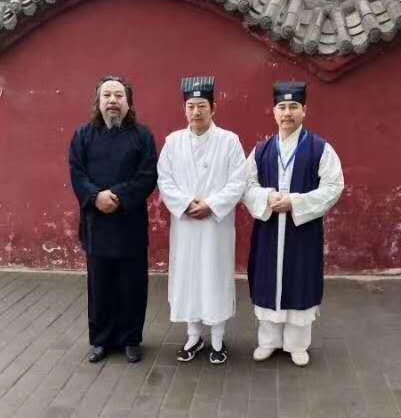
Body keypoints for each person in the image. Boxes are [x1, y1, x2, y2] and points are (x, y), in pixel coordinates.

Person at [243, 82, 344, 366]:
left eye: (293, 107)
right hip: (269, 231)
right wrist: (267, 197)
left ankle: (297, 344)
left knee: (301, 281)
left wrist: (295, 203)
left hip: (303, 232)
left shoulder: (319, 149)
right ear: (274, 111)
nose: (287, 113)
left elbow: (334, 186)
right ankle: (268, 341)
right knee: (267, 280)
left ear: (304, 110)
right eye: (282, 107)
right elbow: (246, 184)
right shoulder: (261, 150)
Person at [157, 76, 246, 364]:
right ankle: (193, 336)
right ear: (184, 109)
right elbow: (164, 179)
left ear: (213, 108)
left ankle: (218, 339)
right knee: (188, 277)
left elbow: (238, 180)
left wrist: (211, 204)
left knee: (214, 276)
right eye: (191, 106)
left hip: (216, 225)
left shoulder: (229, 141)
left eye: (202, 106)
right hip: (185, 224)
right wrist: (185, 204)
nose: (196, 112)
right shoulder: (173, 142)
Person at [69, 75, 157, 363]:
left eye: (119, 96)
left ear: (129, 102)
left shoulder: (142, 136)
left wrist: (117, 196)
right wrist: (96, 197)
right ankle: (101, 340)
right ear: (98, 102)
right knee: (100, 285)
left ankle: (131, 339)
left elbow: (147, 175)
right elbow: (77, 173)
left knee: (132, 284)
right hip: (97, 223)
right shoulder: (83, 135)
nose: (112, 101)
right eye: (107, 95)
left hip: (130, 221)